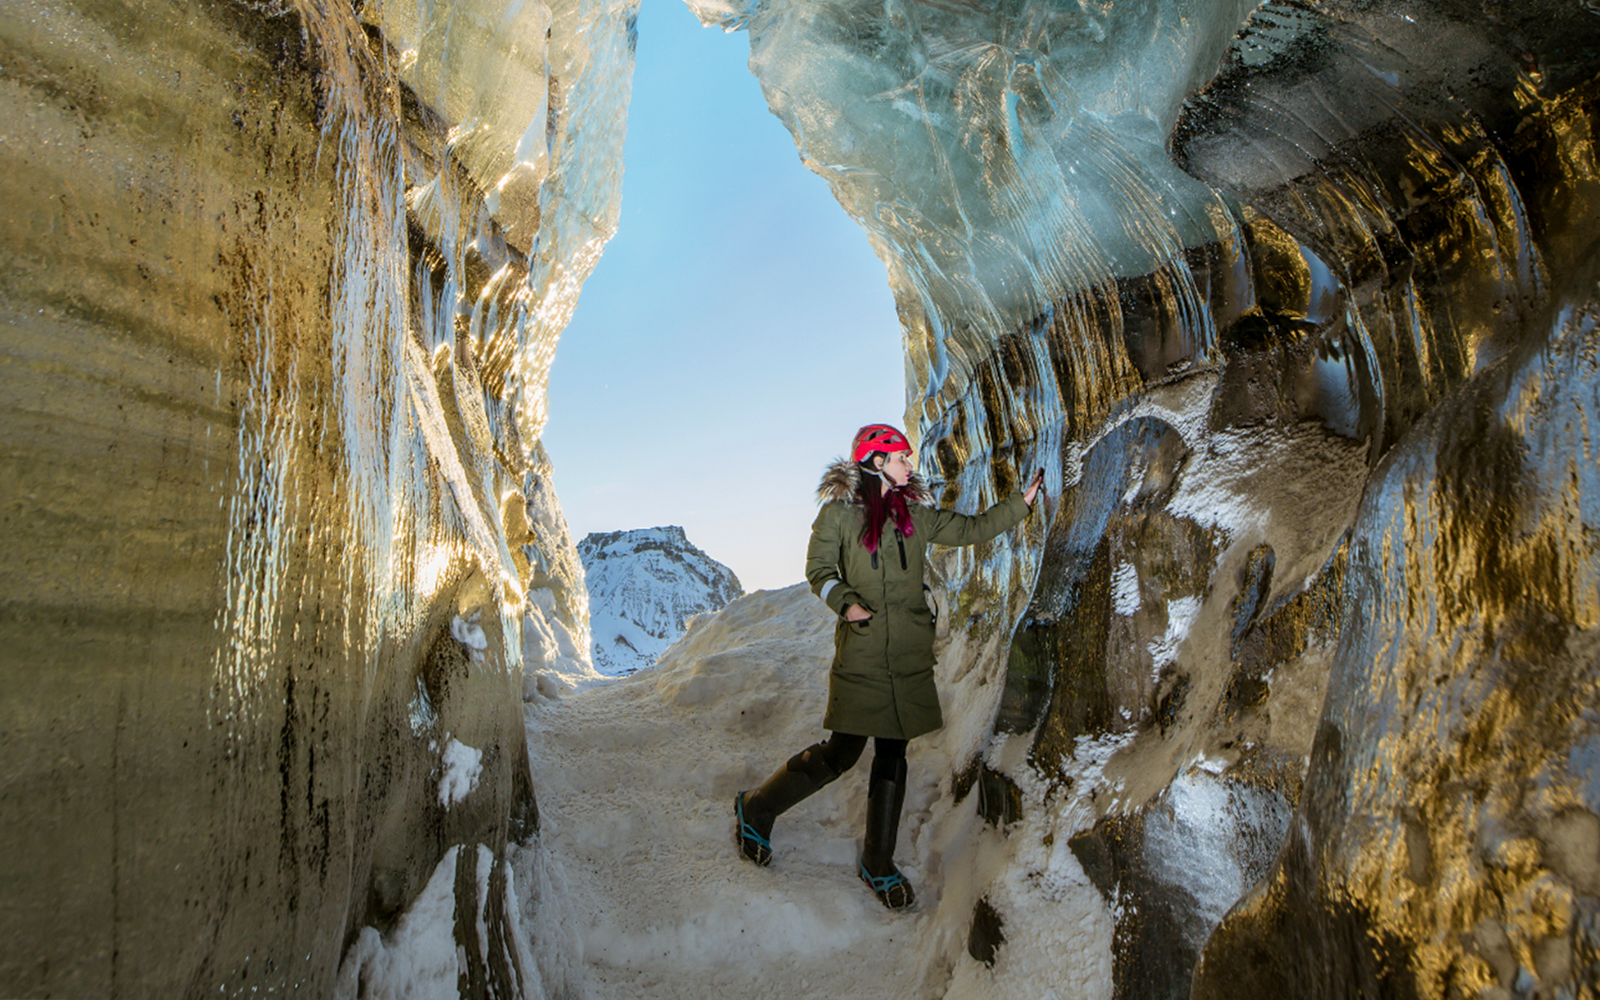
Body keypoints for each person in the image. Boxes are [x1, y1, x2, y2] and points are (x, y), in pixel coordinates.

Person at [734, 423, 1045, 909]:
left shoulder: (914, 515)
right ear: (876, 462)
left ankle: (877, 863)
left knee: (893, 752)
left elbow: (970, 529)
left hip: (907, 652)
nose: (909, 465)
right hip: (862, 651)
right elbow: (818, 570)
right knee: (842, 752)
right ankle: (756, 808)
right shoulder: (837, 515)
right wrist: (847, 604)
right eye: (901, 457)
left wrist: (1019, 505)